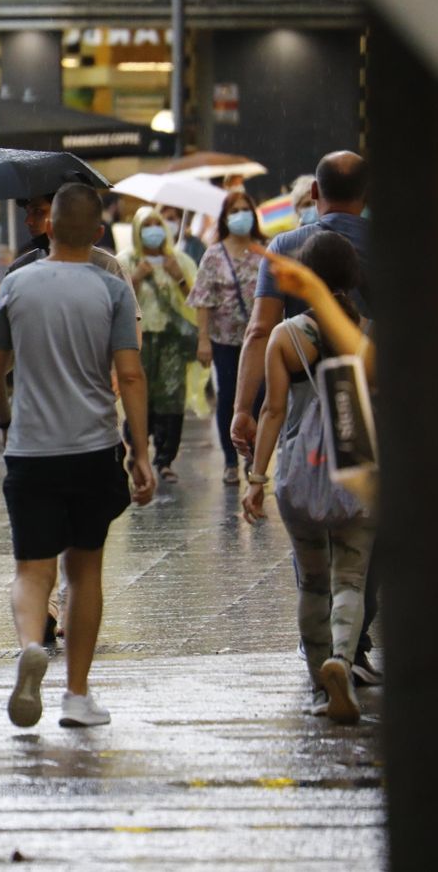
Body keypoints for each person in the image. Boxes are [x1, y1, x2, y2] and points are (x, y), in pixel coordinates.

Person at [0, 183, 155, 728]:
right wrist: (142, 453)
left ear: (49, 227)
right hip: (93, 448)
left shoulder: (16, 284)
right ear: (99, 234)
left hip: (31, 450)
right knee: (83, 573)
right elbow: (129, 373)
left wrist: (7, 420)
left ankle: (31, 645)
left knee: (31, 571)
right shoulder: (112, 290)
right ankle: (77, 696)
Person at [232, 150, 381, 684]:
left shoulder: (285, 319)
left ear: (314, 194)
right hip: (363, 448)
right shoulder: (371, 325)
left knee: (312, 580)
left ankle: (320, 671)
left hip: (299, 453)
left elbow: (271, 401)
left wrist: (251, 463)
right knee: (356, 572)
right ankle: (349, 654)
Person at [188, 191, 267, 485]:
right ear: (225, 216)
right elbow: (203, 300)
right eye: (235, 210)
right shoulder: (214, 254)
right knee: (229, 399)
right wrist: (203, 340)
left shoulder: (265, 250)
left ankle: (254, 456)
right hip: (224, 340)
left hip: (259, 338)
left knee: (259, 397)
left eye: (246, 209)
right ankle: (231, 461)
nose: (241, 215)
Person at [118, 206, 198, 482]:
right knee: (138, 396)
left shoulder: (181, 261)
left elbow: (198, 302)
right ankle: (137, 450)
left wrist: (177, 277)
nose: (153, 230)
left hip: (172, 341)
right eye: (146, 225)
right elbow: (115, 302)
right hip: (137, 341)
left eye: (157, 224)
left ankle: (165, 459)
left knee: (171, 400)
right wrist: (136, 279)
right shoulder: (124, 262)